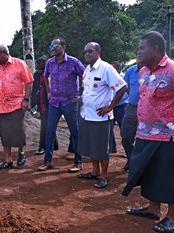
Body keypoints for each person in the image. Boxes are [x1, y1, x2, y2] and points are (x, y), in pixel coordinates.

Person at [122, 31, 174, 233]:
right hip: (145, 133)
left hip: (168, 136)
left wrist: (171, 120)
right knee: (151, 173)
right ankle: (153, 209)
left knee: (171, 177)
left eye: (142, 48)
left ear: (155, 48)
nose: (138, 52)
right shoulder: (143, 71)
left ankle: (171, 217)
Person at [77, 42, 128, 188]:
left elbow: (123, 87)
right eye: (85, 51)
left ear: (98, 52)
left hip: (101, 117)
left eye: (90, 51)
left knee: (101, 148)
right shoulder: (87, 70)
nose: (87, 54)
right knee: (92, 146)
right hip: (87, 115)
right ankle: (94, 171)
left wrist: (111, 105)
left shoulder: (106, 68)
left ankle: (104, 176)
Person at [0, 44, 33, 170]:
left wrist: (26, 100)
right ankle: (7, 159)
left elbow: (29, 82)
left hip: (17, 103)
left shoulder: (19, 64)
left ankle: (20, 152)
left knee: (17, 130)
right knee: (4, 133)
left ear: (5, 52)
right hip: (1, 106)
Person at [37, 37, 85, 173]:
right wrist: (48, 92)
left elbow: (85, 75)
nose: (52, 48)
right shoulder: (50, 63)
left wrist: (82, 93)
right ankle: (48, 161)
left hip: (70, 101)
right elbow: (45, 76)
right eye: (51, 46)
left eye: (55, 46)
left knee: (74, 131)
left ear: (63, 46)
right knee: (49, 130)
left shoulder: (73, 62)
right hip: (54, 102)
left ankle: (78, 161)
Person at [30, 57, 58, 156]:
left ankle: (42, 147)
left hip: (51, 103)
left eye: (39, 63)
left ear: (44, 64)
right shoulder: (36, 75)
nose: (37, 65)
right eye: (37, 63)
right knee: (47, 124)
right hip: (42, 104)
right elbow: (34, 90)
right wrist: (33, 103)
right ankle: (54, 145)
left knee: (45, 126)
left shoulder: (51, 73)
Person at [120, 58, 143, 171]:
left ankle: (141, 164)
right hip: (131, 108)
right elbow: (126, 87)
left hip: (148, 110)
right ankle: (131, 159)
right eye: (138, 54)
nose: (140, 57)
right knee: (126, 138)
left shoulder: (152, 71)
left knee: (144, 139)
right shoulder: (130, 71)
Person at [110, 61, 129, 154]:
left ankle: (127, 150)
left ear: (118, 69)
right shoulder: (109, 77)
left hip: (122, 106)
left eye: (113, 68)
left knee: (124, 128)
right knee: (109, 128)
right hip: (111, 106)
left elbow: (124, 93)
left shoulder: (124, 77)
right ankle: (112, 147)